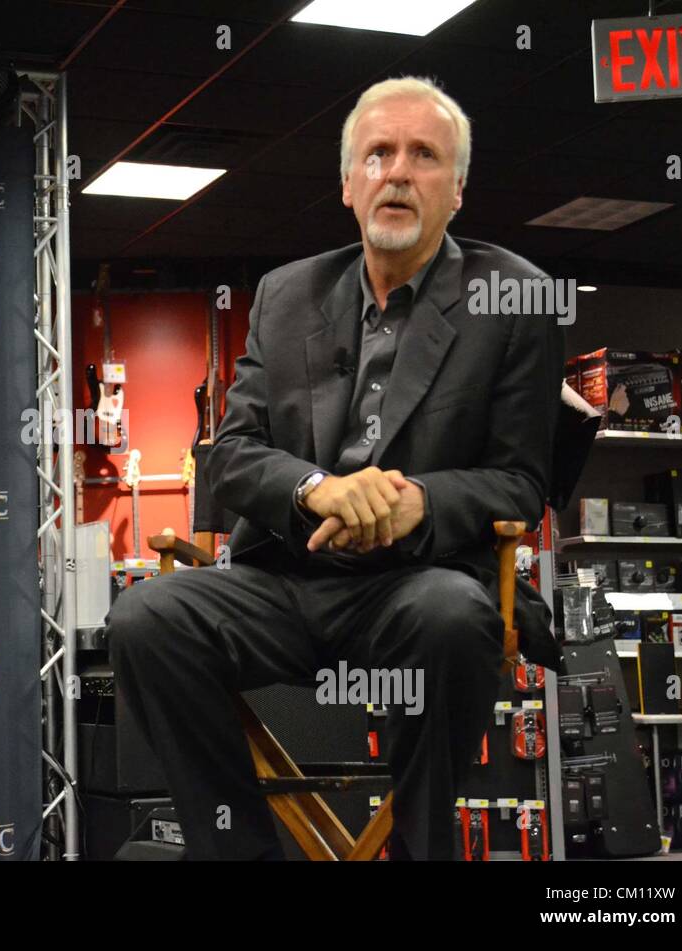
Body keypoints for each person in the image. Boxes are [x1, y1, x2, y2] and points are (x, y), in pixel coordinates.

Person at [108, 76, 565, 860]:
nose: (397, 171)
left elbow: (522, 482)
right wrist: (321, 488)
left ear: (456, 189)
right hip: (283, 581)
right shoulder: (288, 294)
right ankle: (239, 850)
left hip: (417, 585)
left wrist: (414, 499)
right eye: (378, 153)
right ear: (348, 182)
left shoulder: (514, 295)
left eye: (424, 156)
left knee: (456, 619)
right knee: (146, 619)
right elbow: (233, 456)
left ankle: (422, 849)